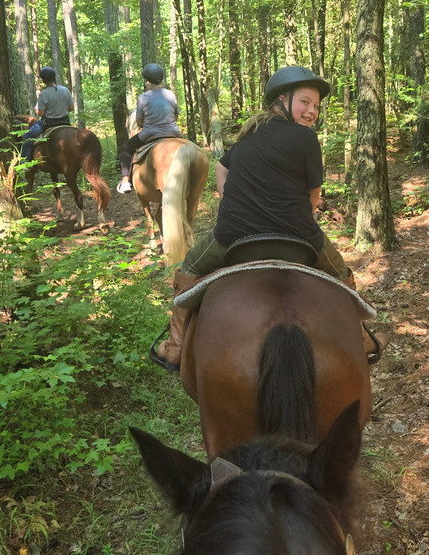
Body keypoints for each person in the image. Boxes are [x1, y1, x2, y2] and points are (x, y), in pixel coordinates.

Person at [150, 64, 360, 372]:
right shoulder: (306, 139)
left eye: (315, 105)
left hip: (233, 236)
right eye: (305, 102)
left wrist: (231, 200)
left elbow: (222, 168)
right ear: (282, 100)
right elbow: (313, 196)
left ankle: (175, 346)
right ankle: (363, 338)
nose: (312, 111)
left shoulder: (249, 137)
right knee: (342, 275)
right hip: (299, 237)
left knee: (189, 269)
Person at [117, 63, 182, 194]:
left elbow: (139, 123)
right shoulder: (171, 94)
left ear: (147, 81)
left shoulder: (143, 98)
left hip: (150, 134)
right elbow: (175, 117)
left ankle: (125, 181)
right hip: (174, 133)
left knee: (125, 149)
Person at [20, 66, 74, 162]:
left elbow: (41, 113)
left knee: (28, 137)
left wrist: (37, 110)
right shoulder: (65, 90)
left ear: (43, 80)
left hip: (49, 123)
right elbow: (71, 107)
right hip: (65, 121)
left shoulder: (44, 94)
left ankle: (25, 163)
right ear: (54, 77)